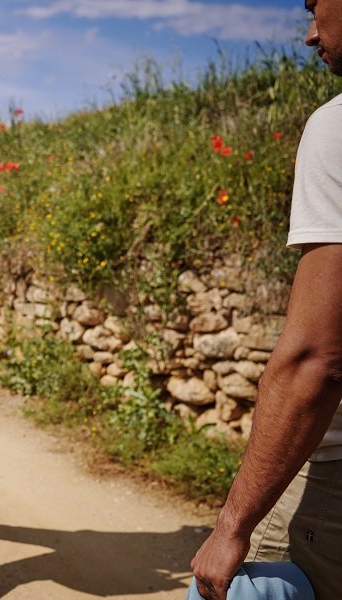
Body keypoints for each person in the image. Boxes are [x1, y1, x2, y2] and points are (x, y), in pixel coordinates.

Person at [190, 1, 342, 598]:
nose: (308, 35)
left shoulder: (335, 129)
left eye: (314, 6)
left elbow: (316, 359)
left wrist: (232, 527)